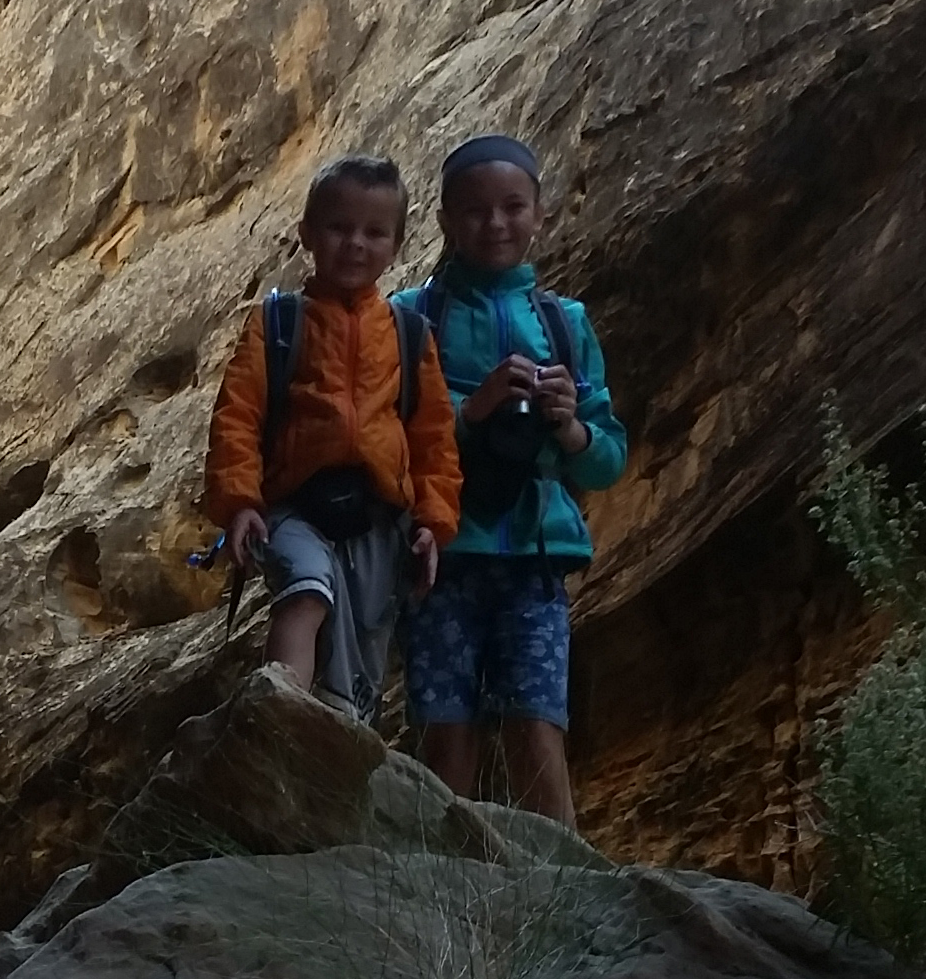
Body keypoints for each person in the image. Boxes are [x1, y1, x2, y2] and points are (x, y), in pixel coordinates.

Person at [404, 133, 626, 826]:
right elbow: (387, 441)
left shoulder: (565, 325)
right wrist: (474, 412)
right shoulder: (413, 318)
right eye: (474, 211)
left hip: (534, 559)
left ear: (539, 214)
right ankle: (442, 900)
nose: (495, 225)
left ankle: (559, 900)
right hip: (442, 559)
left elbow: (607, 457)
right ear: (444, 219)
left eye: (512, 207)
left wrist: (567, 426)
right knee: (448, 732)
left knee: (537, 727)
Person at [203, 154, 462, 722]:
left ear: (396, 245)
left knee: (367, 639)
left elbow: (433, 436)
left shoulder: (408, 335)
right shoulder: (278, 324)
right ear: (308, 235)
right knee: (306, 587)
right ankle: (280, 712)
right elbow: (238, 417)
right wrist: (242, 503)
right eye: (339, 228)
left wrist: (432, 521)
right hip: (293, 506)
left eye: (375, 232)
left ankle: (340, 726)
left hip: (376, 519)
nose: (356, 244)